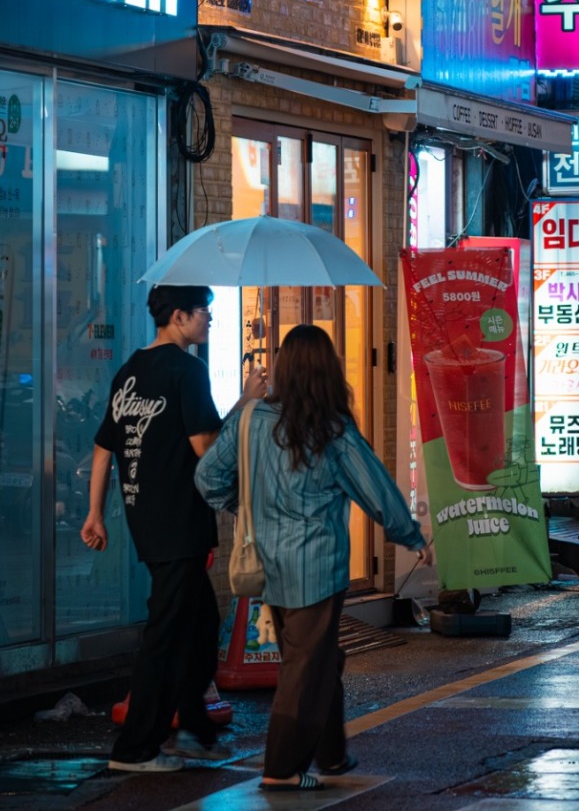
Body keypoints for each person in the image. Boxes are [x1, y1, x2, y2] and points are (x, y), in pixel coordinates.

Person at [195, 323, 432, 792]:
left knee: (318, 659)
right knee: (305, 667)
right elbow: (376, 489)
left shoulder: (251, 421)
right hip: (317, 568)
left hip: (268, 565)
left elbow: (207, 479)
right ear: (327, 371)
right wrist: (409, 534)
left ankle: (332, 753)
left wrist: (243, 506)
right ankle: (281, 767)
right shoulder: (331, 429)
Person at [81, 283, 266, 773]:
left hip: (146, 518)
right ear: (180, 317)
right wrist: (246, 403)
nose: (210, 321)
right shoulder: (187, 370)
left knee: (202, 624)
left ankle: (194, 731)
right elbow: (208, 448)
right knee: (165, 632)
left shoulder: (130, 372)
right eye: (205, 313)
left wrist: (95, 513)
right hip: (179, 520)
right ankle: (136, 748)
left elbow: (104, 449)